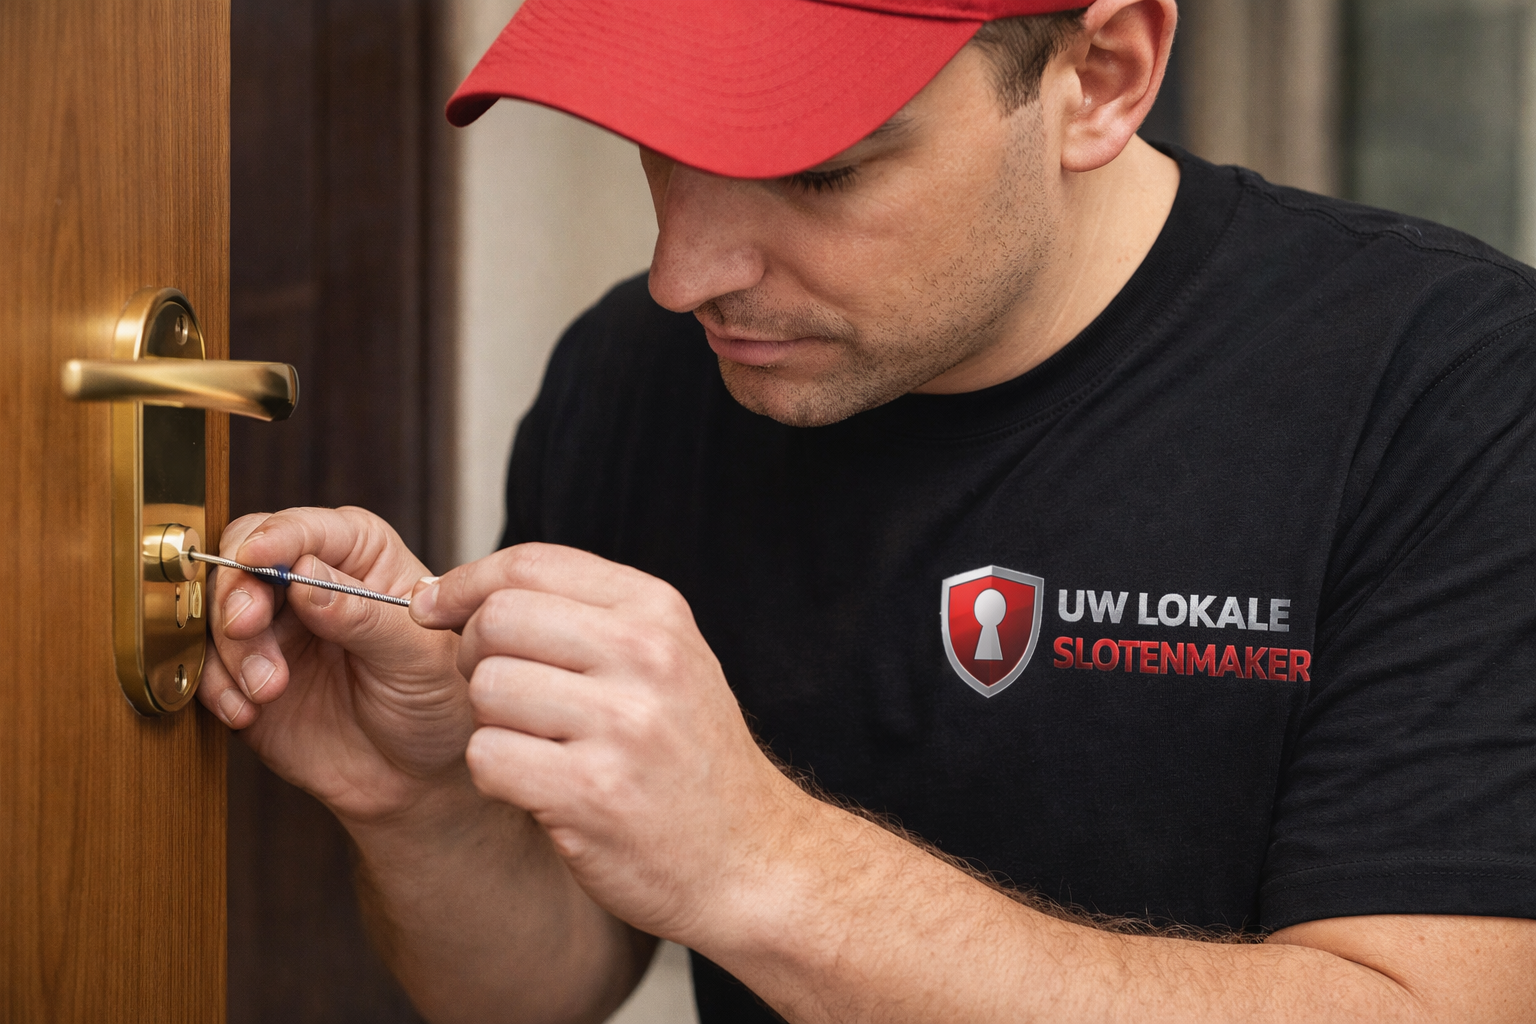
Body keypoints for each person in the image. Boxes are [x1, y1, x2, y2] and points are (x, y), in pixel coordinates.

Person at [200, 0, 1536, 1020]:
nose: (683, 274)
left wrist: (764, 863)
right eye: (661, 147)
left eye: (821, 170)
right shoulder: (637, 375)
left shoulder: (1449, 389)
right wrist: (422, 804)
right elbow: (548, 983)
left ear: (1100, 78)